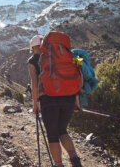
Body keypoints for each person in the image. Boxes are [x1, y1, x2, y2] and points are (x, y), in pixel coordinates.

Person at [27, 35, 82, 167]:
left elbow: (34, 84)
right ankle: (75, 160)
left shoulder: (33, 60)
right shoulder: (61, 56)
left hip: (49, 100)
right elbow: (75, 78)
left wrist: (35, 105)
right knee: (63, 130)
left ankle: (58, 164)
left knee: (52, 135)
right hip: (68, 98)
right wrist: (76, 102)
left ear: (32, 47)